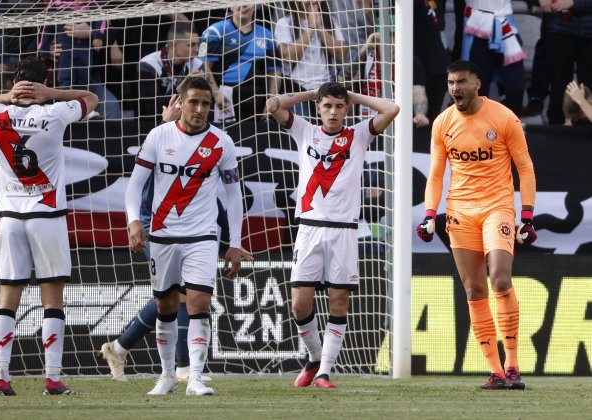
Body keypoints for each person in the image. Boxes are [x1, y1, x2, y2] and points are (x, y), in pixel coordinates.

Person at [101, 95, 252, 382]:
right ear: (180, 101)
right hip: (156, 221)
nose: (199, 108)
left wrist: (228, 241)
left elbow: (212, 198)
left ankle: (126, 349)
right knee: (176, 295)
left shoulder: (213, 142)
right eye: (192, 101)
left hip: (190, 226)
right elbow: (144, 183)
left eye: (205, 103)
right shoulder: (164, 136)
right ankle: (176, 365)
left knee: (182, 295)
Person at [267, 82, 399, 388]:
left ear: (347, 109)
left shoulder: (359, 134)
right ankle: (314, 358)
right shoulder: (304, 131)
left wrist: (354, 97)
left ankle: (325, 371)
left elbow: (392, 109)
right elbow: (273, 105)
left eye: (340, 106)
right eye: (327, 106)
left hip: (344, 231)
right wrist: (311, 94)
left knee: (338, 304)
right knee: (300, 304)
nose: (333, 112)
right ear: (318, 108)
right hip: (309, 229)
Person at [0, 56, 99, 396]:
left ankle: (2, 376)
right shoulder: (55, 113)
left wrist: (7, 97)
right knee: (52, 298)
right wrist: (51, 93)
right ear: (43, 81)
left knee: (8, 297)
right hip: (47, 216)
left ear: (16, 81)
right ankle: (52, 378)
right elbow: (91, 98)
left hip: (11, 218)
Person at [416, 60, 537, 390]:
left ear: (477, 84)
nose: (455, 88)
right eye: (450, 82)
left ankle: (513, 365)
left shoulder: (503, 118)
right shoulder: (443, 123)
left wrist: (526, 215)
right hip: (460, 212)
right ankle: (496, 372)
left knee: (499, 279)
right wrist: (430, 214)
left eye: (462, 81)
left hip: (497, 207)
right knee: (474, 289)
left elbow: (524, 169)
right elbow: (437, 175)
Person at [38, 1, 121, 119]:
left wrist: (94, 34)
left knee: (84, 79)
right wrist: (44, 50)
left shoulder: (90, 3)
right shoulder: (55, 4)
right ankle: (66, 110)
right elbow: (46, 28)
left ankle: (85, 110)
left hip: (84, 55)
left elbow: (102, 20)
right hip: (62, 58)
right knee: (67, 79)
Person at [199, 5, 281, 124]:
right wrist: (216, 95)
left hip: (254, 101)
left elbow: (275, 71)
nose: (244, 5)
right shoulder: (215, 31)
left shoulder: (266, 35)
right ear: (230, 6)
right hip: (223, 100)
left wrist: (272, 100)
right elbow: (202, 66)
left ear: (255, 6)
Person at [274, 1, 349, 118]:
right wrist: (310, 28)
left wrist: (319, 27)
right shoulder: (284, 22)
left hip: (327, 89)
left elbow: (341, 53)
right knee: (303, 134)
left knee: (329, 133)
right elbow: (288, 55)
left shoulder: (330, 21)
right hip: (297, 90)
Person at [461, 0, 526, 116]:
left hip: (505, 25)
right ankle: (478, 129)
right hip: (478, 27)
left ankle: (511, 127)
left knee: (516, 86)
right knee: (478, 89)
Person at [137, 19, 202, 125]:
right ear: (173, 45)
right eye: (191, 45)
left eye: (197, 44)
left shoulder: (196, 65)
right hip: (151, 125)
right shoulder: (148, 64)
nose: (197, 50)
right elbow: (150, 109)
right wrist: (180, 91)